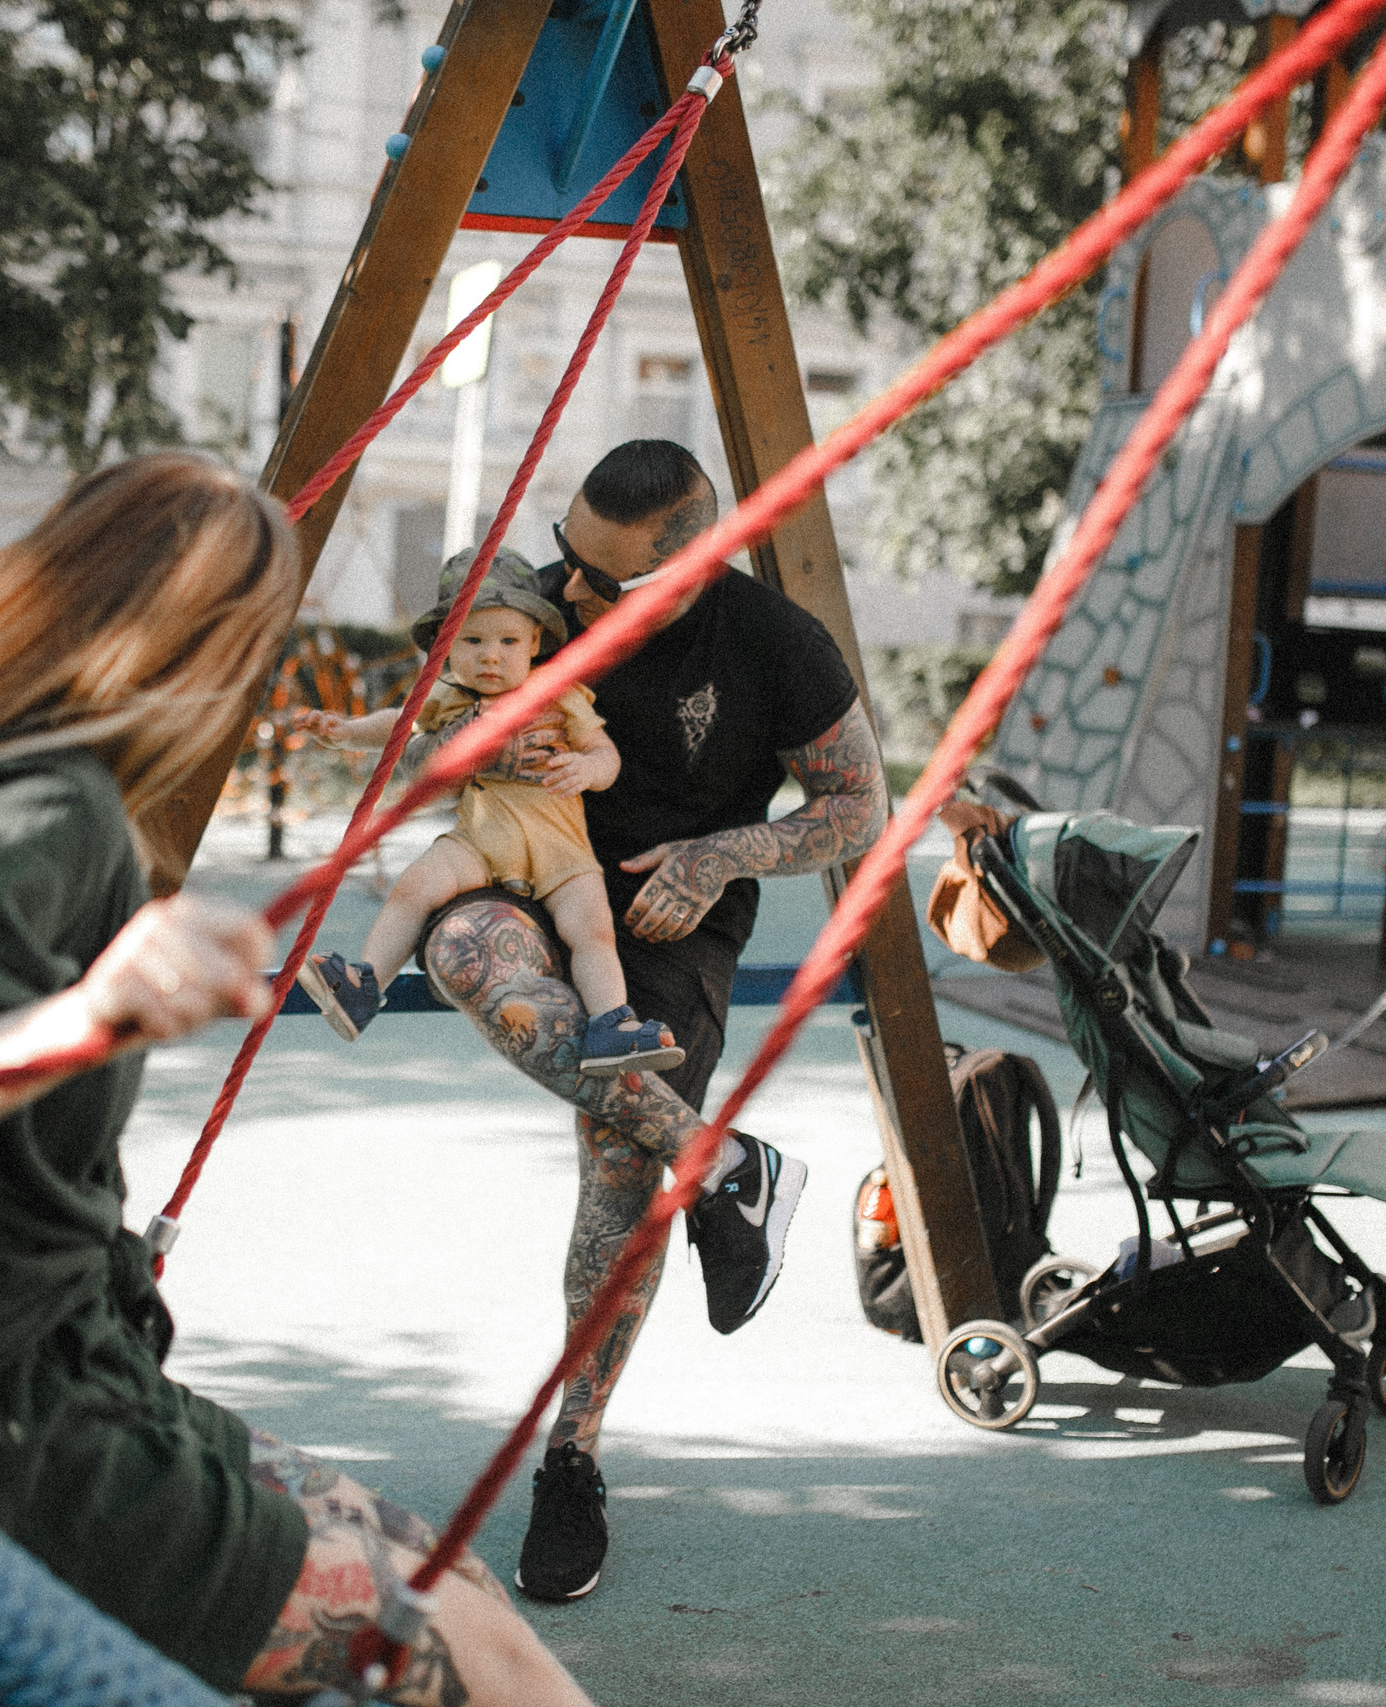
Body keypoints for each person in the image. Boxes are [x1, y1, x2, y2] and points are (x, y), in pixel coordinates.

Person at [0, 453, 591, 1707]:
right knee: (496, 1672)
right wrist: (81, 1021)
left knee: (459, 1590)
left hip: (55, 1373)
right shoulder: (50, 815)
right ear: (205, 653)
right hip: (2, 1430)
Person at [409, 440, 888, 1604]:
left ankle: (571, 1456)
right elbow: (435, 700)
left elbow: (858, 806)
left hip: (670, 924)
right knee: (468, 947)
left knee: (619, 1161)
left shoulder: (774, 645)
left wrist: (724, 853)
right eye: (566, 552)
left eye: (600, 577)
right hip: (524, 874)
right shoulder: (538, 605)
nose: (567, 588)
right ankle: (727, 1169)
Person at [291, 547, 686, 1078]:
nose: (490, 657)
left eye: (507, 641)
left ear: (535, 644)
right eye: (472, 642)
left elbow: (606, 754)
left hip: (559, 848)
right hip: (479, 840)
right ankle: (366, 986)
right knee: (414, 886)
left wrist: (587, 770)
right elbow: (398, 724)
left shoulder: (557, 694)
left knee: (591, 930)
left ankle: (610, 1025)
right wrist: (344, 734)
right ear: (446, 647)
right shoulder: (452, 697)